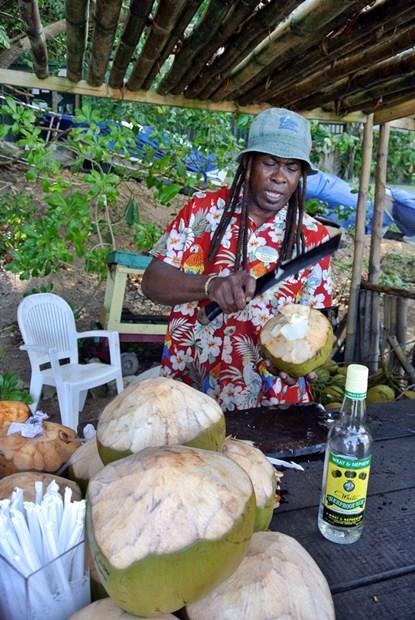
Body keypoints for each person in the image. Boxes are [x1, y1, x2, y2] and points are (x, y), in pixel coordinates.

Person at [141, 107, 332, 411]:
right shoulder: (203, 210)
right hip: (193, 388)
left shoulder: (312, 238)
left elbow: (316, 329)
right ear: (249, 162)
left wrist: (300, 361)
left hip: (270, 399)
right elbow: (151, 283)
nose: (280, 177)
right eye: (269, 163)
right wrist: (210, 285)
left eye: (292, 168)